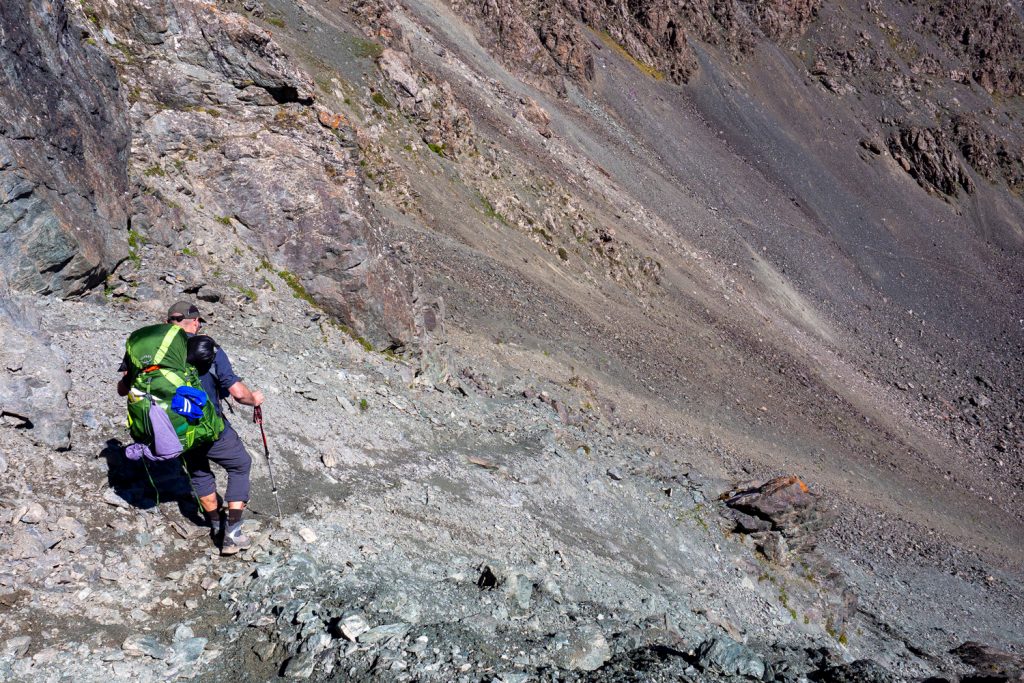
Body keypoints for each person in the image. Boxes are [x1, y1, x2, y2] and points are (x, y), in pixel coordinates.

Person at [118, 301, 265, 555]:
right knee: (240, 464)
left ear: (167, 324)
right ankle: (232, 533)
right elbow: (237, 393)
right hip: (208, 426)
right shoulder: (207, 347)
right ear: (195, 322)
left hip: (175, 429)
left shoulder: (149, 351)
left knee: (199, 474)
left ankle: (216, 525)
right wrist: (255, 399)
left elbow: (123, 389)